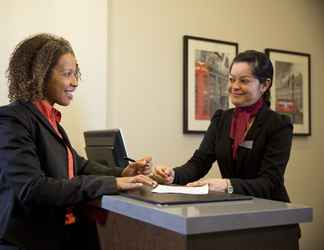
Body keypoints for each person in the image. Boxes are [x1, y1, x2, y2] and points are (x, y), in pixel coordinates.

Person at [0, 33, 157, 250]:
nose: (75, 82)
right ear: (41, 75)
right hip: (26, 242)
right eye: (68, 74)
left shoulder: (50, 120)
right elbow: (34, 188)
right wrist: (111, 184)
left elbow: (77, 164)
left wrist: (122, 173)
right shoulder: (12, 120)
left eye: (76, 74)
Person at [154, 50, 293, 202]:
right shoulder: (221, 119)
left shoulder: (279, 125)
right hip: (233, 209)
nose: (235, 86)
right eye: (232, 79)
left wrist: (227, 185)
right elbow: (199, 162)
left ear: (265, 85)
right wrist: (173, 174)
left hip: (272, 213)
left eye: (244, 81)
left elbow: (270, 182)